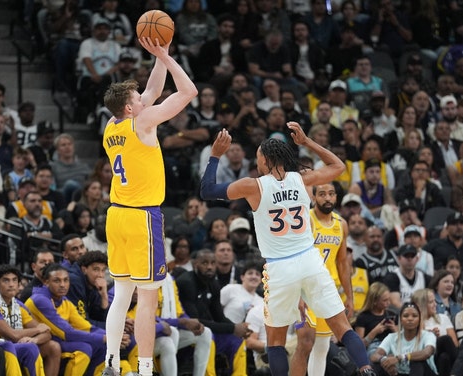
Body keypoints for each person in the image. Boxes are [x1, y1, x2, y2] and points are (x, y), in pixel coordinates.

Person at [200, 124, 376, 376]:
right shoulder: (302, 179)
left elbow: (206, 190)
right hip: (310, 261)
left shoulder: (253, 186)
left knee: (275, 340)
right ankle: (366, 368)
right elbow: (339, 166)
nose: (256, 160)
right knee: (342, 326)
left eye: (259, 156)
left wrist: (215, 155)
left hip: (280, 267)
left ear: (267, 160)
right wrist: (307, 142)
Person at [100, 34, 198, 376]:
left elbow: (153, 92)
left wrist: (161, 54)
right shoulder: (143, 122)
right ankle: (143, 368)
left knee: (122, 293)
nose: (143, 99)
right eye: (136, 98)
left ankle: (111, 361)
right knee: (148, 297)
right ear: (130, 108)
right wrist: (170, 61)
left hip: (116, 216)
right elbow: (188, 92)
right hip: (142, 217)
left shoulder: (112, 125)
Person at [293, 182, 353, 376]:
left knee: (322, 345)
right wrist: (298, 294)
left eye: (331, 194)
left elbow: (343, 263)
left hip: (328, 289)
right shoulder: (306, 220)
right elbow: (296, 258)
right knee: (305, 344)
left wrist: (349, 297)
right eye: (322, 194)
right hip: (306, 288)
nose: (327, 198)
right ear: (313, 197)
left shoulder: (341, 224)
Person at [0, 264, 61, 376]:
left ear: (19, 284)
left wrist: (34, 340)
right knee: (29, 348)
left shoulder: (18, 305)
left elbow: (47, 333)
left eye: (14, 280)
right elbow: (13, 335)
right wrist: (36, 331)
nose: (11, 284)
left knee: (53, 346)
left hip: (13, 346)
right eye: (6, 280)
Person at [369, 302, 437, 376]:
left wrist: (401, 357)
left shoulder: (428, 335)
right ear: (401, 319)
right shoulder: (392, 337)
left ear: (419, 319)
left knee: (416, 363)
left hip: (425, 373)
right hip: (399, 373)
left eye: (414, 316)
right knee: (378, 364)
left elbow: (427, 352)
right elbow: (375, 355)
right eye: (406, 316)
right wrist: (384, 360)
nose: (410, 319)